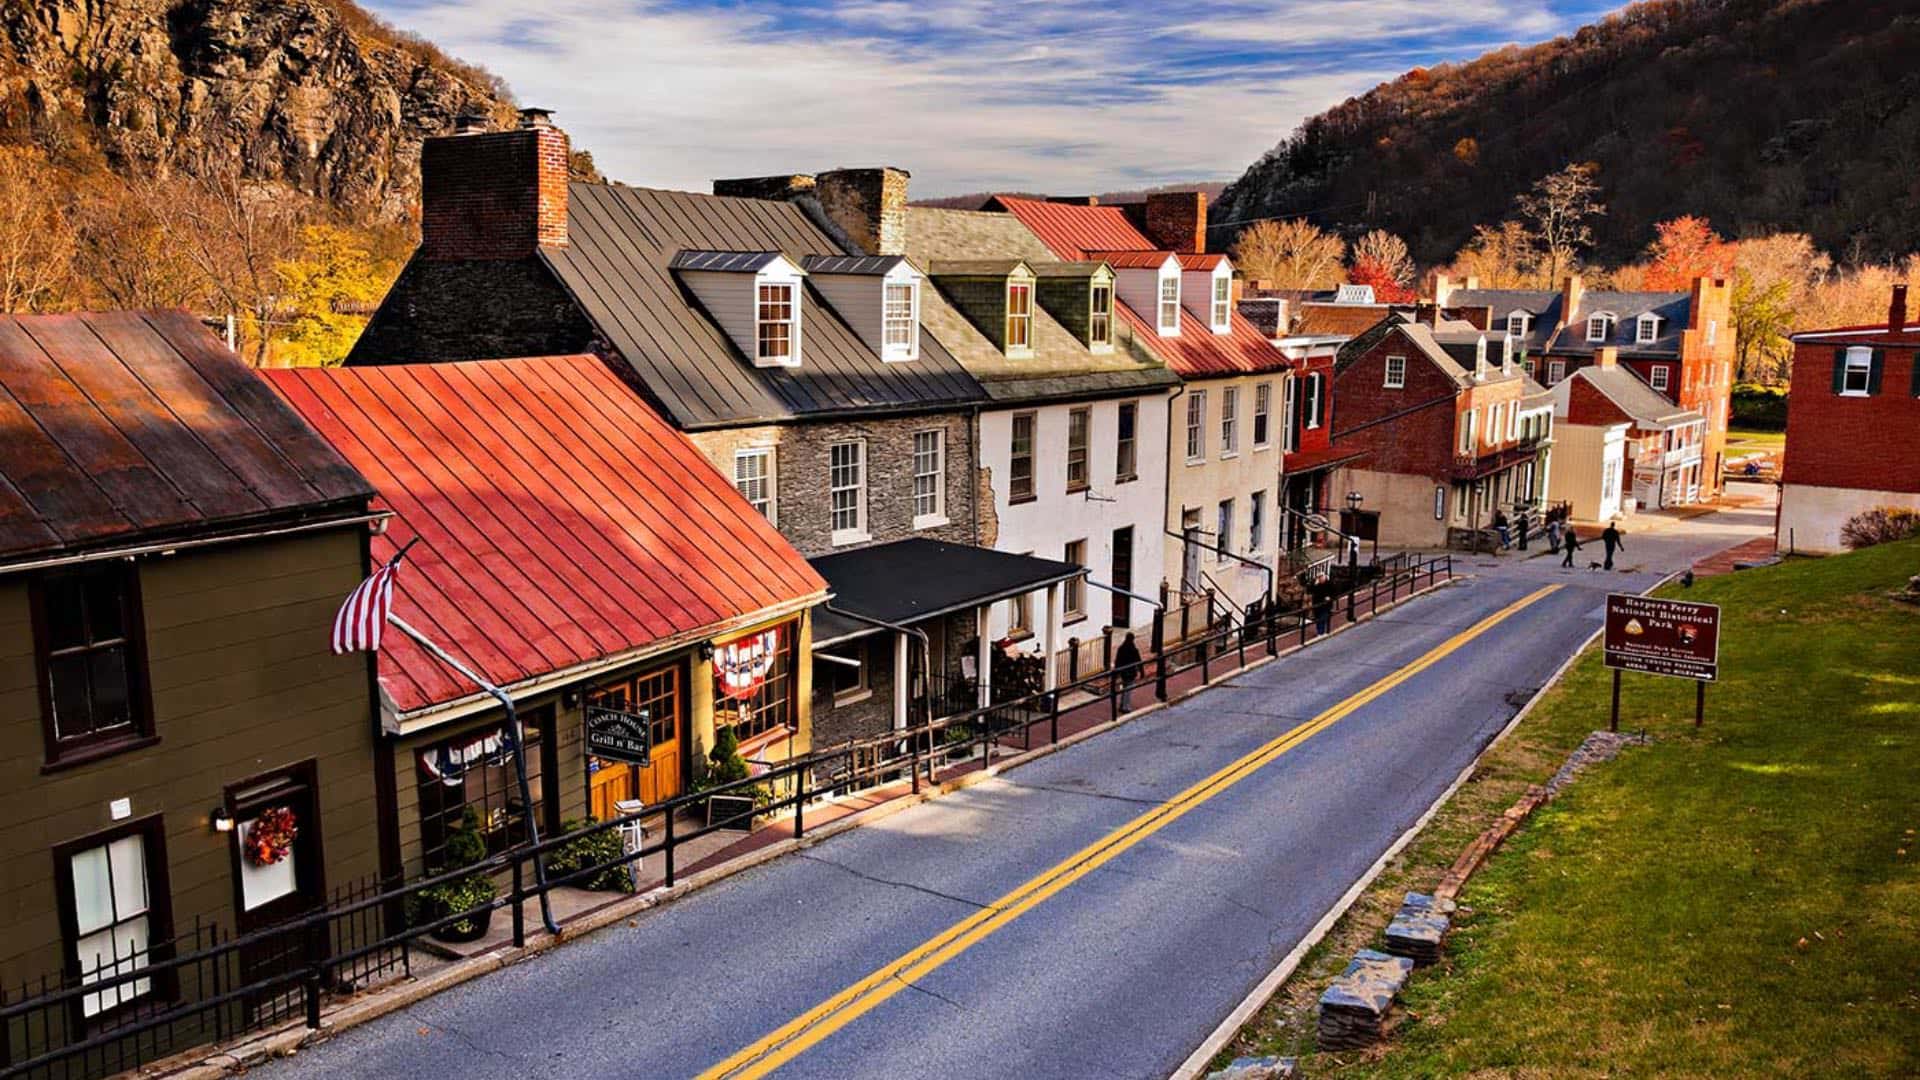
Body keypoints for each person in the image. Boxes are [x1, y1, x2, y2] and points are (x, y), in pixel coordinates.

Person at [1113, 631, 1143, 711]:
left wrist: (1116, 673)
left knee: (1125, 687)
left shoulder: (1121, 648)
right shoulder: (1134, 649)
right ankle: (1125, 706)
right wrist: (1142, 671)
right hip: (1131, 671)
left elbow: (1117, 661)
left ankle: (1122, 704)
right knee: (1128, 689)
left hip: (1123, 671)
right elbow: (1139, 661)